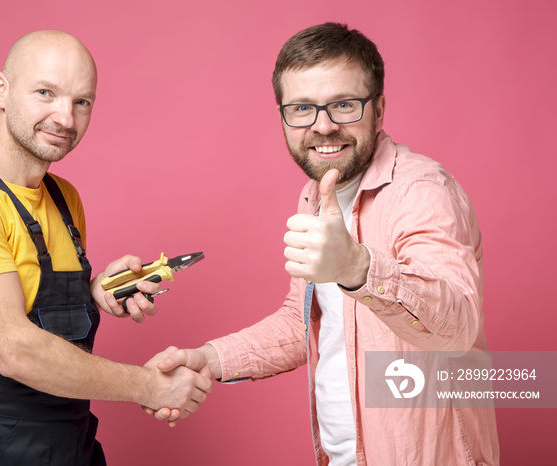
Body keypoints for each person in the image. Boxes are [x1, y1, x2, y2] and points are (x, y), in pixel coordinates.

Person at [151, 23, 500, 465]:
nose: (323, 126)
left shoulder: (422, 191)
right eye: (302, 108)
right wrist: (210, 359)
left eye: (344, 105)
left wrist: (358, 267)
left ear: (379, 109)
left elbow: (457, 326)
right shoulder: (319, 195)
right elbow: (306, 323)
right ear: (283, 115)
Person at [0, 30, 211, 466]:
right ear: (2, 89)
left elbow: (29, 302)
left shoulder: (63, 198)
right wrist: (151, 386)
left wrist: (96, 293)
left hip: (70, 436)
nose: (65, 118)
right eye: (45, 93)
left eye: (81, 102)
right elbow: (16, 350)